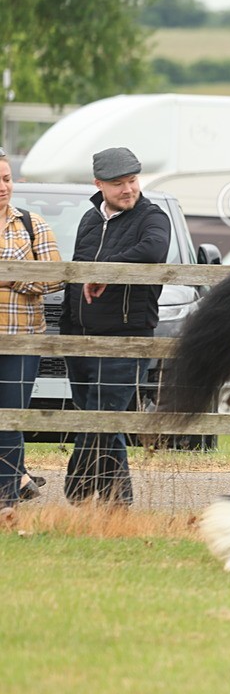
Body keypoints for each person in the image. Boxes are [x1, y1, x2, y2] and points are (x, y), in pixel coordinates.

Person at [61, 147, 170, 505]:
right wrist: (68, 331)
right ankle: (118, 504)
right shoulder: (89, 220)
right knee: (99, 421)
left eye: (133, 180)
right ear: (99, 185)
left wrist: (106, 270)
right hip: (79, 337)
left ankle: (76, 487)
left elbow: (153, 250)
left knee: (101, 416)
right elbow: (76, 275)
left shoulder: (152, 217)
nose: (128, 189)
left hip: (127, 337)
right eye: (118, 183)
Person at [0, 149, 63, 516]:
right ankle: (20, 481)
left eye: (6, 179)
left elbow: (55, 276)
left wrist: (11, 278)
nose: (3, 187)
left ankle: (6, 500)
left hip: (22, 338)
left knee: (9, 417)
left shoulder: (31, 224)